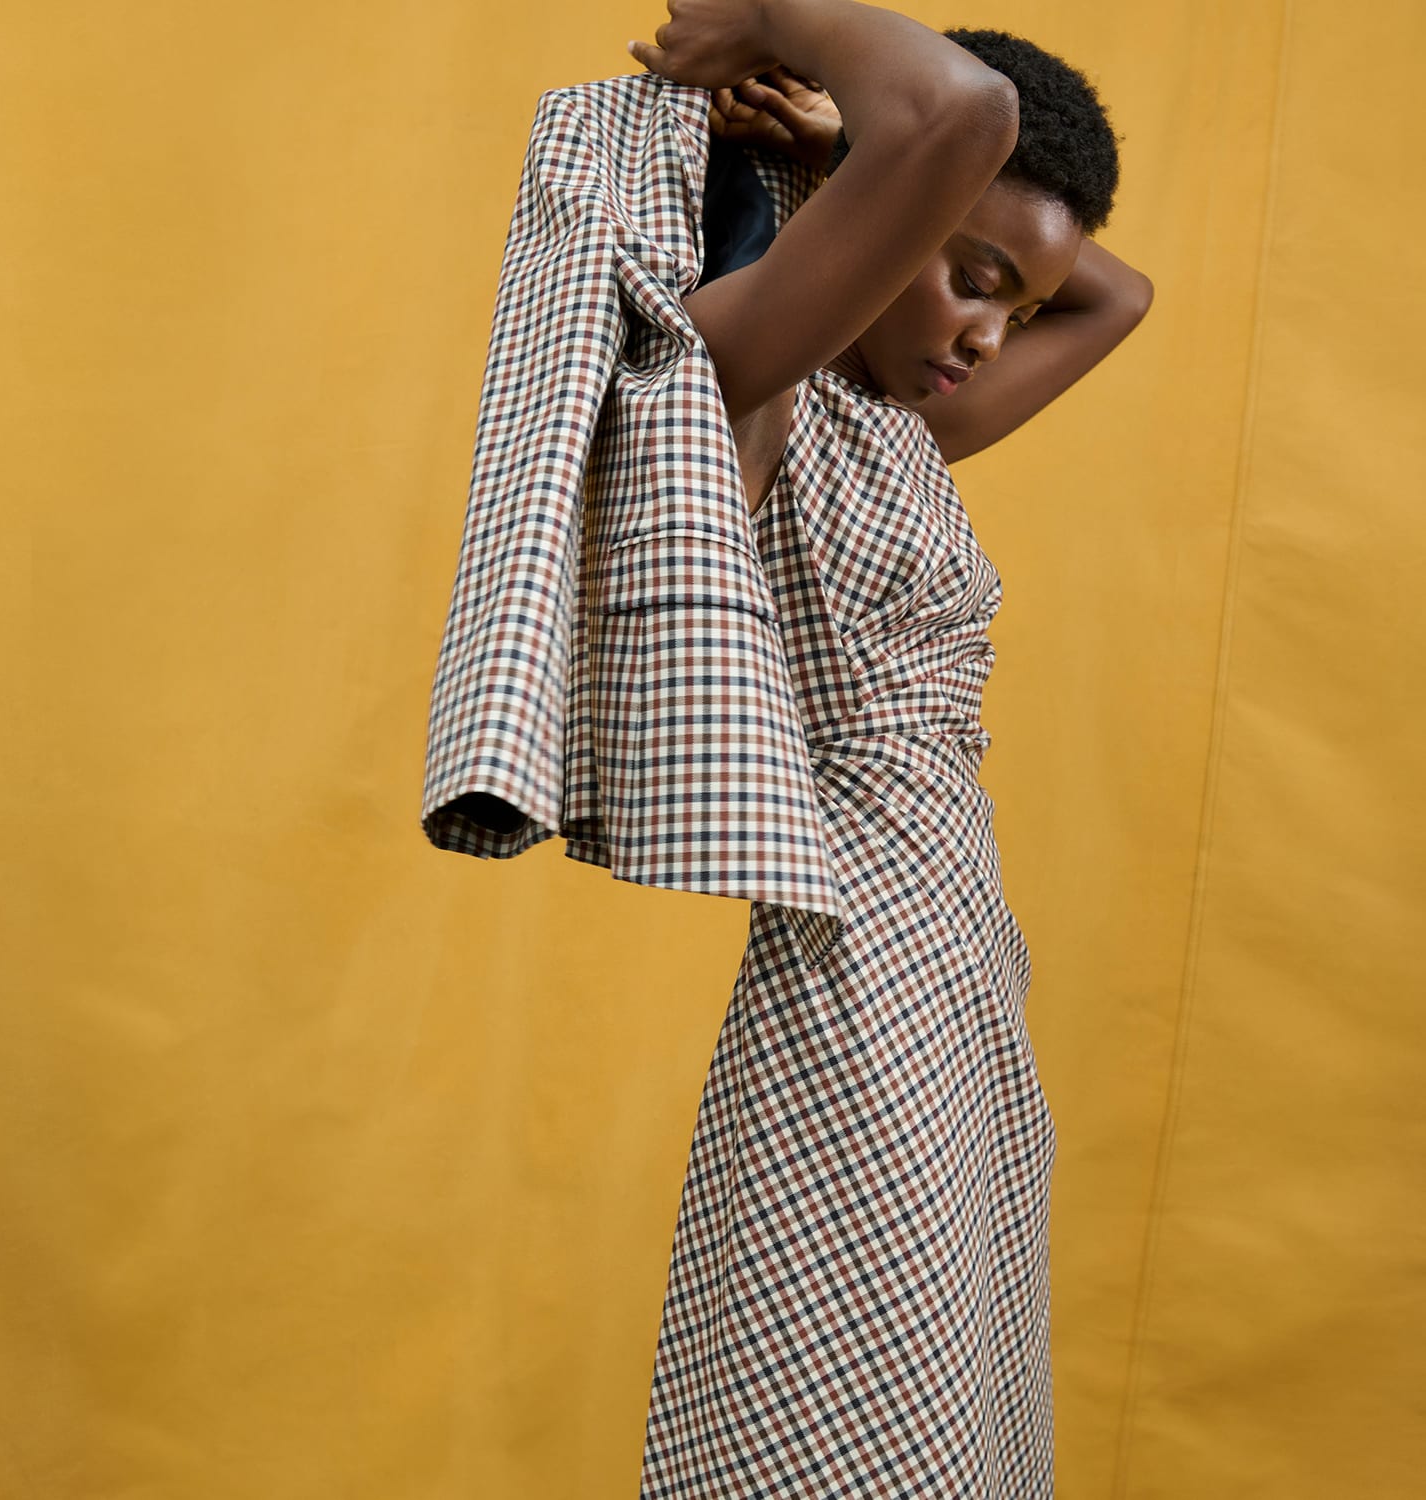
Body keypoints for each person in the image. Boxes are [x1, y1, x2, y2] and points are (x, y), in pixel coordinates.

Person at [619, 3, 1152, 1496]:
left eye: (1009, 303)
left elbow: (1118, 296)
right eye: (974, 280)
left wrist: (866, 167)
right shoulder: (754, 363)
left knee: (961, 1413)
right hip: (857, 959)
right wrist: (784, 34)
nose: (990, 333)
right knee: (853, 1425)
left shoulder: (918, 420)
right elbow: (962, 113)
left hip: (969, 954)